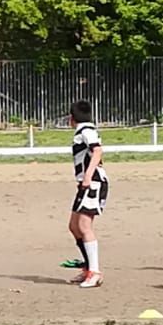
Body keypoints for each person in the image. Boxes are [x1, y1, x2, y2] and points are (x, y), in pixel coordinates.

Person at [67, 100, 107, 288]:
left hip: (93, 183)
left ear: (71, 118)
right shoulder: (83, 131)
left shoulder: (86, 132)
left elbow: (97, 151)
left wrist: (87, 178)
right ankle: (87, 268)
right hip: (86, 185)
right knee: (74, 226)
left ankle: (95, 272)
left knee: (84, 226)